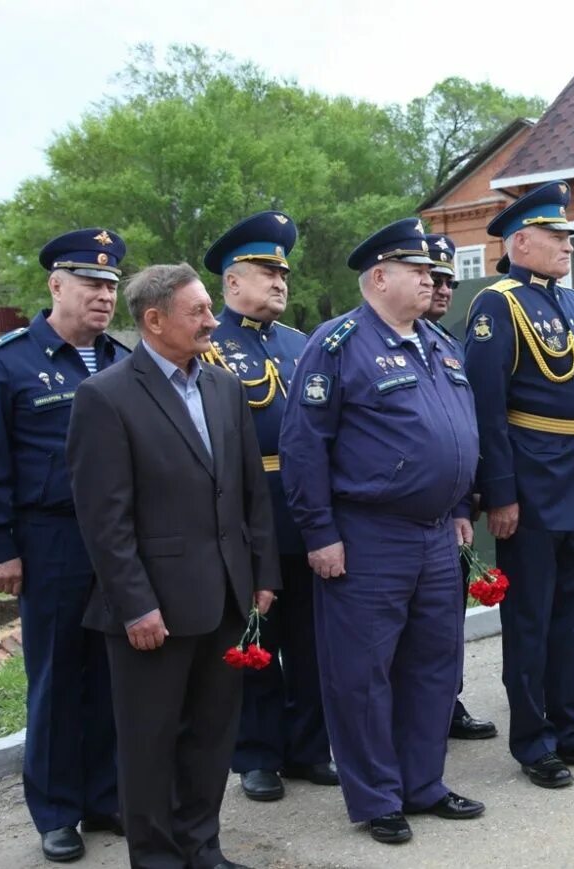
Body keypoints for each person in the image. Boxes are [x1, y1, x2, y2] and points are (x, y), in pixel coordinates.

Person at [67, 262, 279, 869]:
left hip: (227, 597)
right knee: (149, 744)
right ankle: (157, 858)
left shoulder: (224, 388)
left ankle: (202, 848)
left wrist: (263, 575)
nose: (213, 321)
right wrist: (135, 603)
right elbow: (104, 521)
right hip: (153, 607)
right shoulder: (104, 397)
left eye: (212, 308)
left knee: (213, 738)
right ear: (154, 321)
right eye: (199, 312)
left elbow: (249, 496)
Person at [279, 219, 485, 845]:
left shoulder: (439, 343)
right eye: (417, 270)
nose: (431, 279)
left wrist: (460, 508)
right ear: (378, 278)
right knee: (362, 673)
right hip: (367, 534)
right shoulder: (337, 344)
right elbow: (304, 445)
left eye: (431, 270)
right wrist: (319, 533)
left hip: (435, 533)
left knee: (433, 663)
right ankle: (377, 797)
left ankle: (423, 783)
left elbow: (456, 432)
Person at [0, 229, 128, 863]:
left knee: (114, 672)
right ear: (56, 285)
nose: (104, 296)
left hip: (118, 541)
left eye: (112, 285)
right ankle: (57, 812)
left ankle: (106, 795)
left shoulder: (119, 358)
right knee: (58, 677)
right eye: (92, 283)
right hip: (50, 538)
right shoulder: (5, 362)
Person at [464, 181, 574, 788]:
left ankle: (573, 726)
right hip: (533, 483)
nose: (566, 244)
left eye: (567, 235)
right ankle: (533, 740)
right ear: (520, 242)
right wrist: (500, 492)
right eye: (555, 236)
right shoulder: (498, 304)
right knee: (531, 620)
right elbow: (488, 408)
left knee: (572, 616)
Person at [199, 212, 337, 803]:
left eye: (283, 273)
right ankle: (256, 754)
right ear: (233, 283)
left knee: (310, 640)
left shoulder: (301, 344)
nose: (280, 283)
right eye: (265, 272)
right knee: (256, 635)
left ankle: (309, 748)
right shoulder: (208, 348)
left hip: (304, 509)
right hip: (246, 512)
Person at [422, 232, 500, 741]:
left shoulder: (452, 346)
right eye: (436, 278)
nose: (446, 289)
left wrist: (472, 498)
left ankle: (447, 702)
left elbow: (468, 424)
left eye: (451, 280)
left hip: (451, 507)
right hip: (401, 515)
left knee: (446, 616)